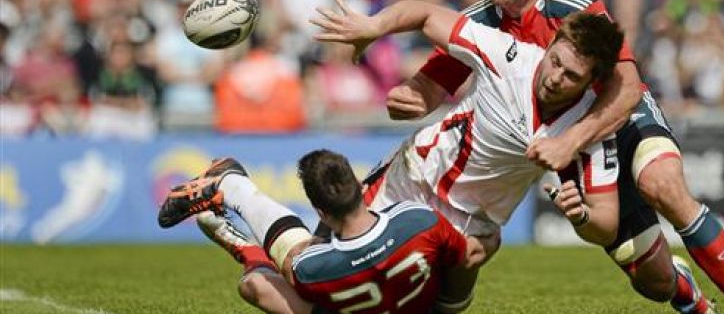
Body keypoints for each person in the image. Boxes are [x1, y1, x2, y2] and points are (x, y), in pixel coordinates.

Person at [385, 0, 724, 314]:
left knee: (662, 185)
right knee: (652, 280)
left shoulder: (574, 3)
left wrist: (570, 142)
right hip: (564, 141)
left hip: (616, 112)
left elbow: (627, 82)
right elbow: (430, 88)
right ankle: (686, 294)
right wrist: (410, 98)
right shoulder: (480, 19)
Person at [160, 0, 625, 312]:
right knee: (313, 286)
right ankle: (233, 191)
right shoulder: (511, 56)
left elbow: (606, 223)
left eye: (570, 75)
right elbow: (425, 14)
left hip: (469, 229)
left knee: (438, 292)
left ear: (591, 82)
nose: (554, 76)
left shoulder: (589, 126)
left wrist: (579, 214)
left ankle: (241, 226)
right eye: (555, 60)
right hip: (410, 184)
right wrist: (373, 27)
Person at [160, 152, 488, 314]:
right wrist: (454, 304)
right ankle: (232, 192)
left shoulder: (311, 266)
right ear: (362, 188)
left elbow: (290, 268)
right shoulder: (417, 220)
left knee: (255, 285)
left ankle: (237, 210)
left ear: (320, 213)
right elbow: (470, 256)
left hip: (338, 289)